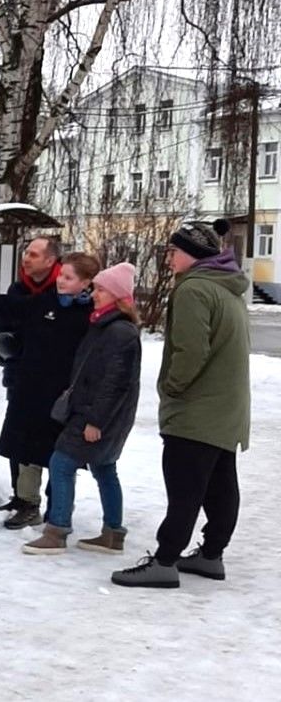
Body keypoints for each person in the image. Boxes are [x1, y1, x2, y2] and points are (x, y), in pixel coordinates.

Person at [112, 219, 249, 589]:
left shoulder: (193, 290)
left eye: (174, 251)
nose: (168, 258)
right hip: (227, 409)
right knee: (220, 483)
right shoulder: (228, 290)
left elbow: (191, 352)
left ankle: (165, 559)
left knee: (185, 485)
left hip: (197, 410)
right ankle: (211, 555)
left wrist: (173, 388)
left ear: (193, 254)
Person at [0, 251, 100, 529]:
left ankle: (59, 512)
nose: (61, 281)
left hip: (65, 396)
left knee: (60, 455)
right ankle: (28, 503)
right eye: (61, 275)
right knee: (27, 448)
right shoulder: (46, 301)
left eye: (68, 277)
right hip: (31, 388)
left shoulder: (91, 315)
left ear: (86, 283)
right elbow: (10, 306)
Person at [23, 262, 141, 556]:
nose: (95, 293)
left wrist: (95, 421)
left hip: (95, 416)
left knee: (61, 463)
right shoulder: (103, 324)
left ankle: (57, 531)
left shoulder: (119, 333)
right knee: (104, 468)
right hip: (97, 414)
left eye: (101, 289)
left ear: (116, 295)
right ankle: (113, 534)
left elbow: (115, 383)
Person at [0, 238, 62, 515]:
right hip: (21, 375)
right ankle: (23, 498)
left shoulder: (65, 289)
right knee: (19, 437)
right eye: (24, 253)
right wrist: (8, 348)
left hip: (57, 382)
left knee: (54, 443)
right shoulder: (18, 289)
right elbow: (3, 326)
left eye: (33, 254)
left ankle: (57, 502)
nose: (25, 258)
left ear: (50, 260)